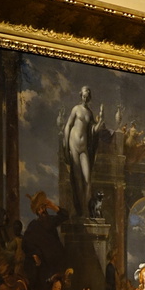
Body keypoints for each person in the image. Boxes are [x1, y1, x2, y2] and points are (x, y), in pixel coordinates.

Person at [63, 85, 105, 216]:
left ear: (89, 97)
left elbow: (94, 130)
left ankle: (85, 209)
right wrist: (65, 146)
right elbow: (68, 126)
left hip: (84, 148)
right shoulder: (76, 109)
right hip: (73, 145)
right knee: (77, 180)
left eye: (88, 96)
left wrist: (101, 119)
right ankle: (80, 210)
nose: (85, 98)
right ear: (81, 95)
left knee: (87, 180)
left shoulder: (90, 113)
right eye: (84, 95)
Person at [21, 191, 69, 290]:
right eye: (39, 209)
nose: (42, 211)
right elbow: (26, 244)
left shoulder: (50, 221)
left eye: (43, 207)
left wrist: (53, 206)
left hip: (57, 263)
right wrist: (34, 254)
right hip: (44, 267)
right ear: (36, 212)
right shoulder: (33, 226)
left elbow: (65, 215)